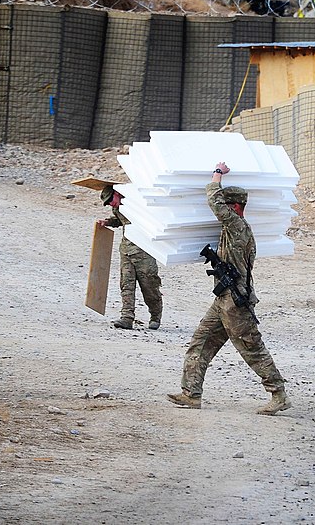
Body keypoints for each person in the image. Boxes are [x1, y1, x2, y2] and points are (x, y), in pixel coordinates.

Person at [167, 162, 291, 416]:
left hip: (235, 303)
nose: (222, 210)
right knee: (200, 343)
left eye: (227, 205)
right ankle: (191, 394)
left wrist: (217, 174)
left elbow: (215, 202)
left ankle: (279, 394)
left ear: (234, 207)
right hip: (224, 299)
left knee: (251, 348)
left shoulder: (237, 227)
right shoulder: (237, 229)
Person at [97, 185, 163, 330]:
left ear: (117, 193)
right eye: (108, 203)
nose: (110, 204)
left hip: (144, 252)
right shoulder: (118, 207)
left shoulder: (138, 203)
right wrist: (108, 222)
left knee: (149, 286)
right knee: (127, 285)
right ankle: (127, 317)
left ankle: (155, 316)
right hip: (126, 250)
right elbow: (120, 220)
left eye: (110, 200)